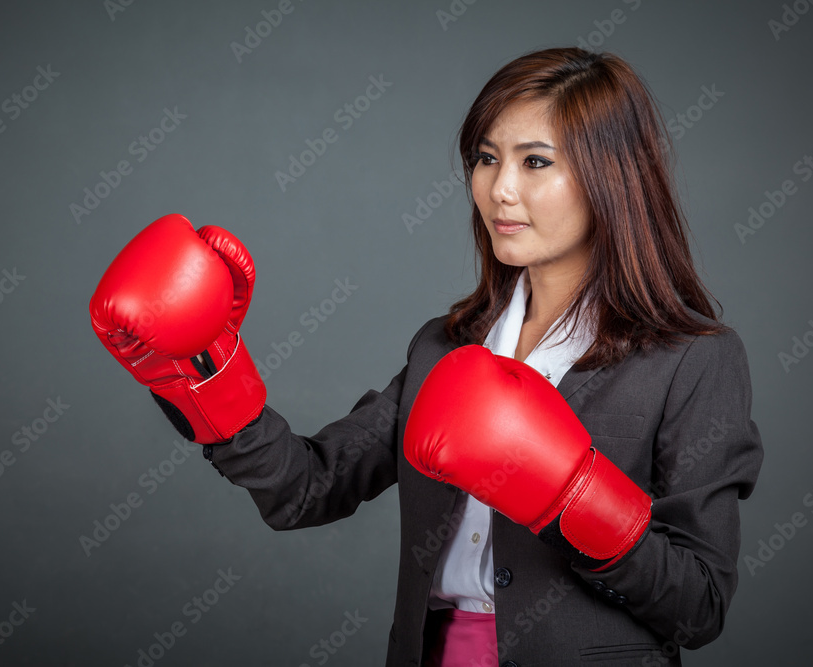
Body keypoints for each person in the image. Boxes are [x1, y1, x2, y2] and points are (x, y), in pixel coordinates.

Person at [89, 47, 764, 667]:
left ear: (610, 177)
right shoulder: (445, 345)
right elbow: (306, 489)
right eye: (486, 156)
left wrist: (575, 499)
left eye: (535, 161)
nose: (499, 188)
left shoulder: (693, 360)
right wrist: (204, 367)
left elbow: (697, 606)